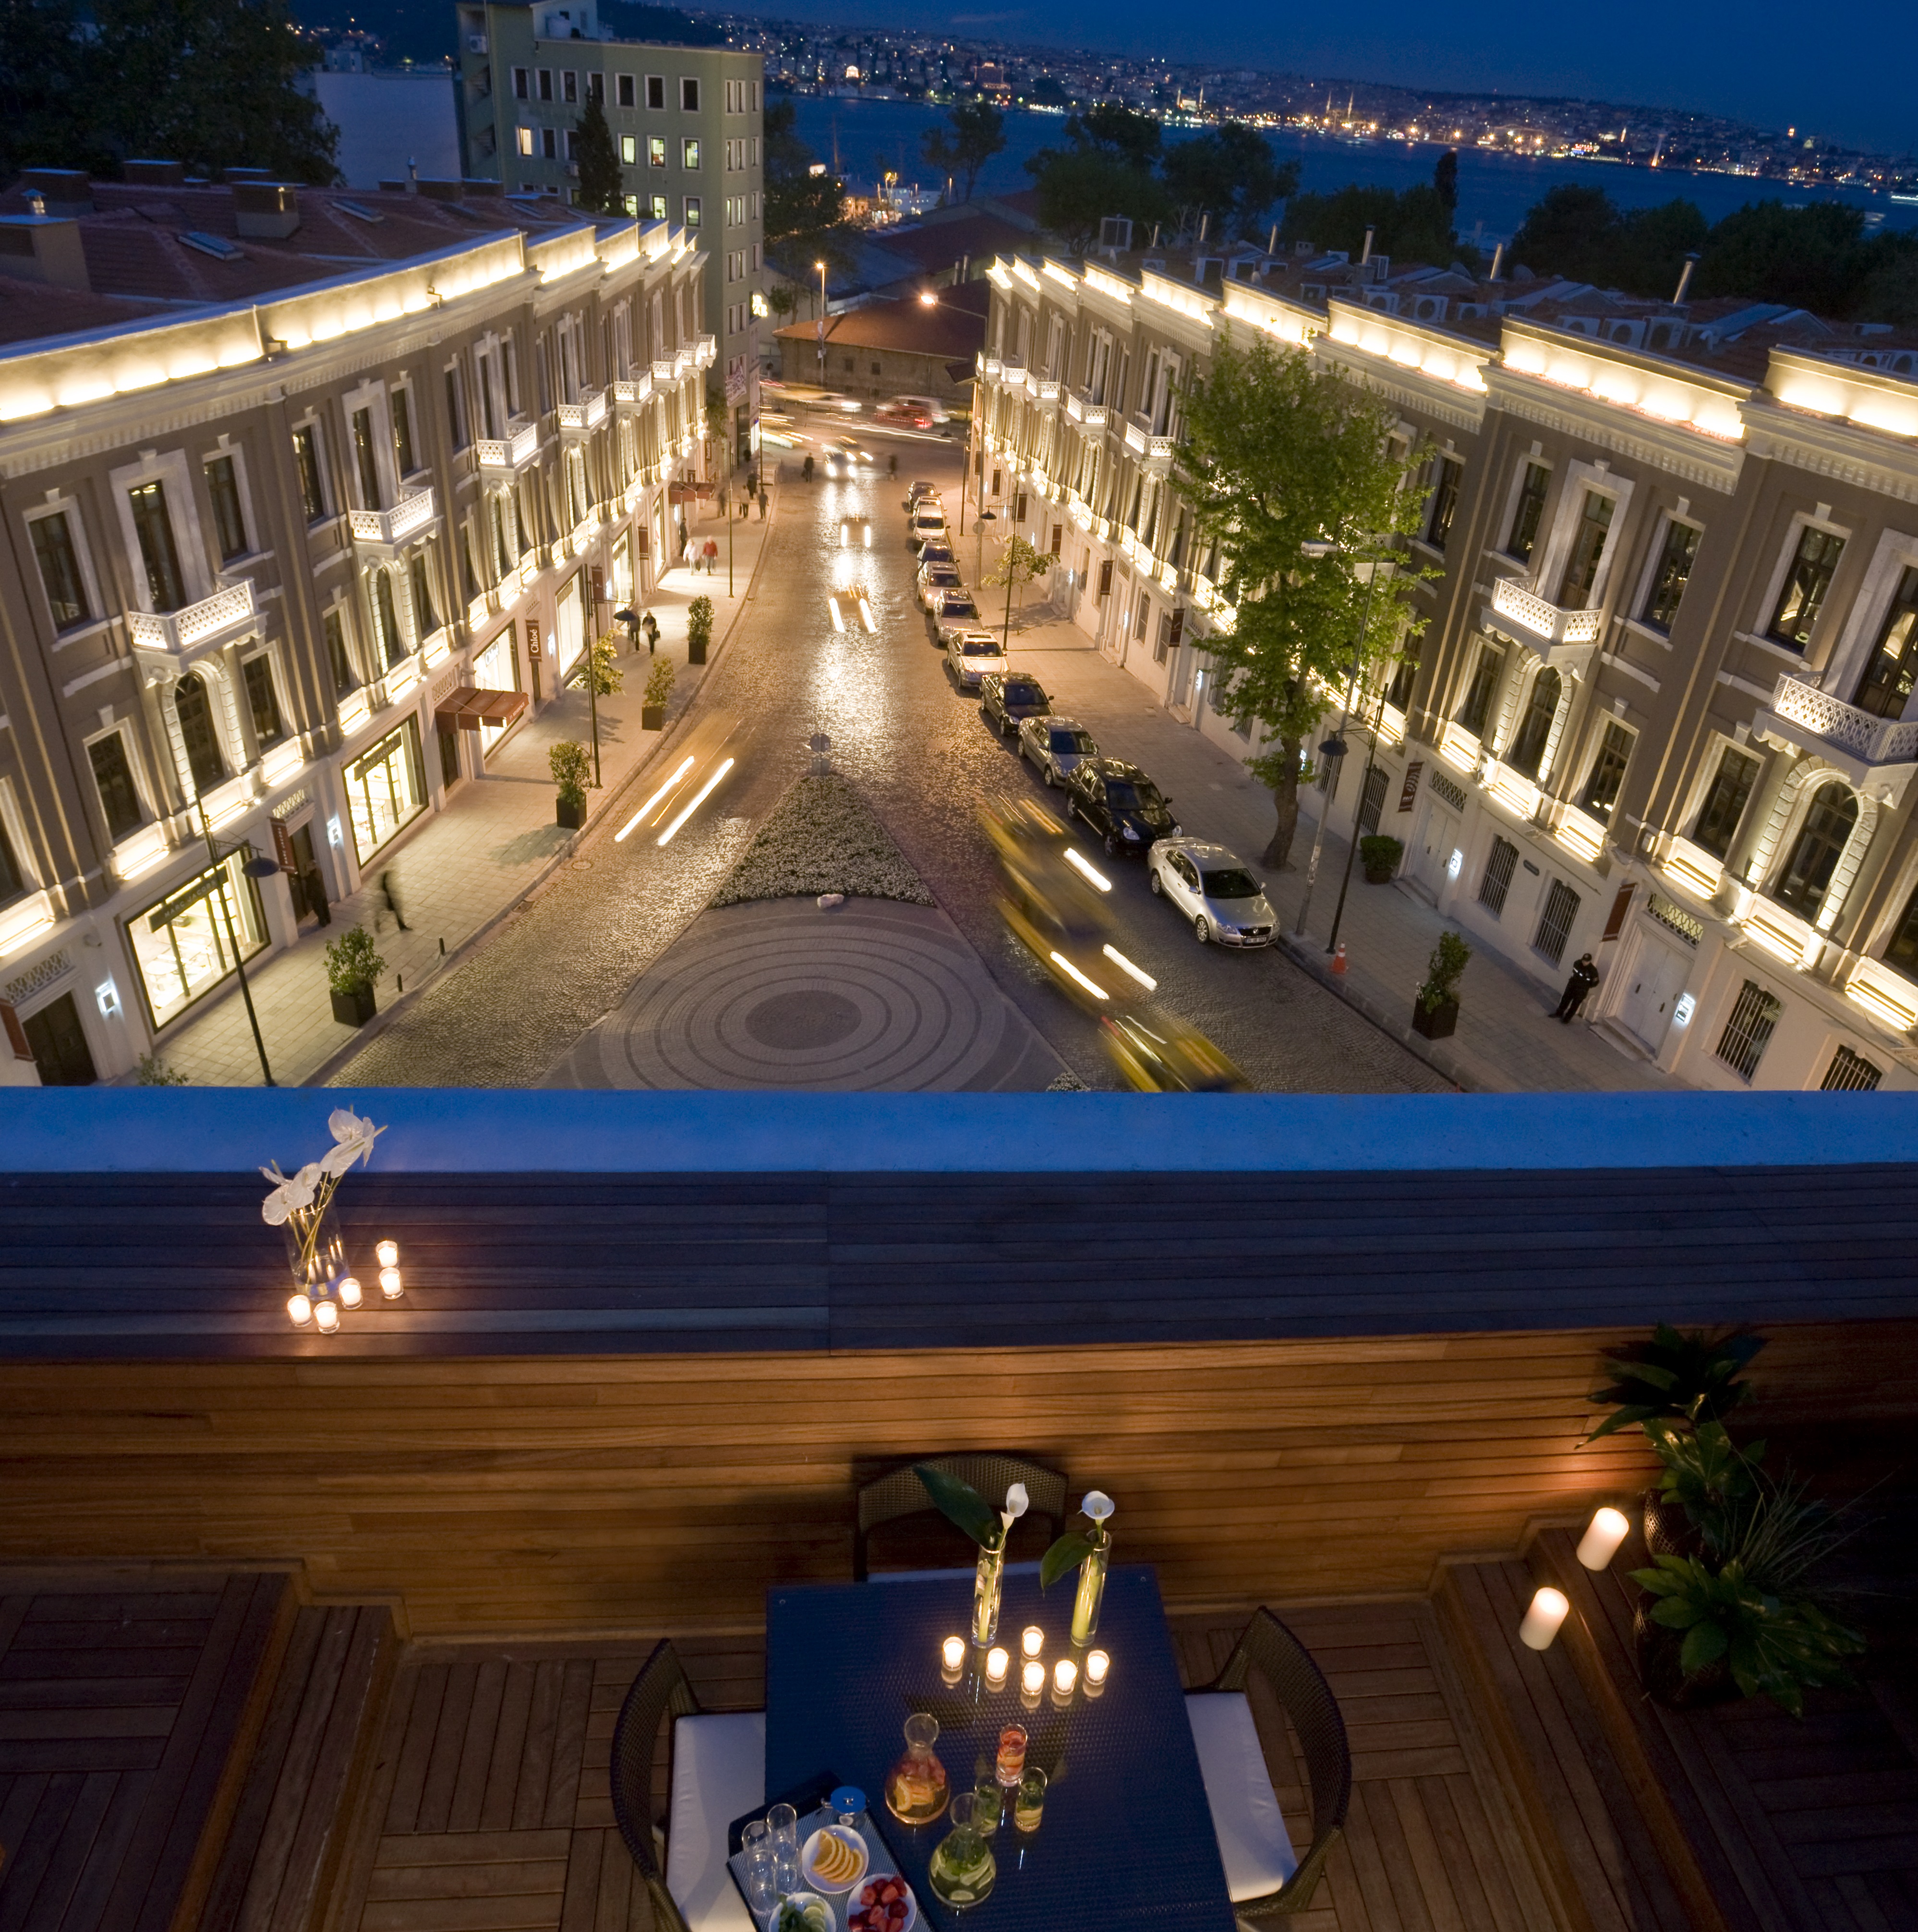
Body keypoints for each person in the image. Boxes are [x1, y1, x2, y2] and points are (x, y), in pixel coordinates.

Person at [1554, 953, 1600, 1023]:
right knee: (1565, 1000)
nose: (1584, 962)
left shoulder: (1593, 971)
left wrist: (1586, 986)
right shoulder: (1577, 963)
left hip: (1581, 990)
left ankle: (1567, 1019)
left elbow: (1595, 983)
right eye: (1583, 960)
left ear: (1590, 961)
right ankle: (1559, 1013)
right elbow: (1575, 972)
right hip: (1572, 986)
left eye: (1586, 961)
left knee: (1575, 1005)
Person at [378, 867, 411, 933]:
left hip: (390, 901)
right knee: (394, 913)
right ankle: (379, 922)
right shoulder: (386, 886)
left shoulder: (385, 885)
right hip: (390, 901)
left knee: (396, 913)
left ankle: (402, 926)